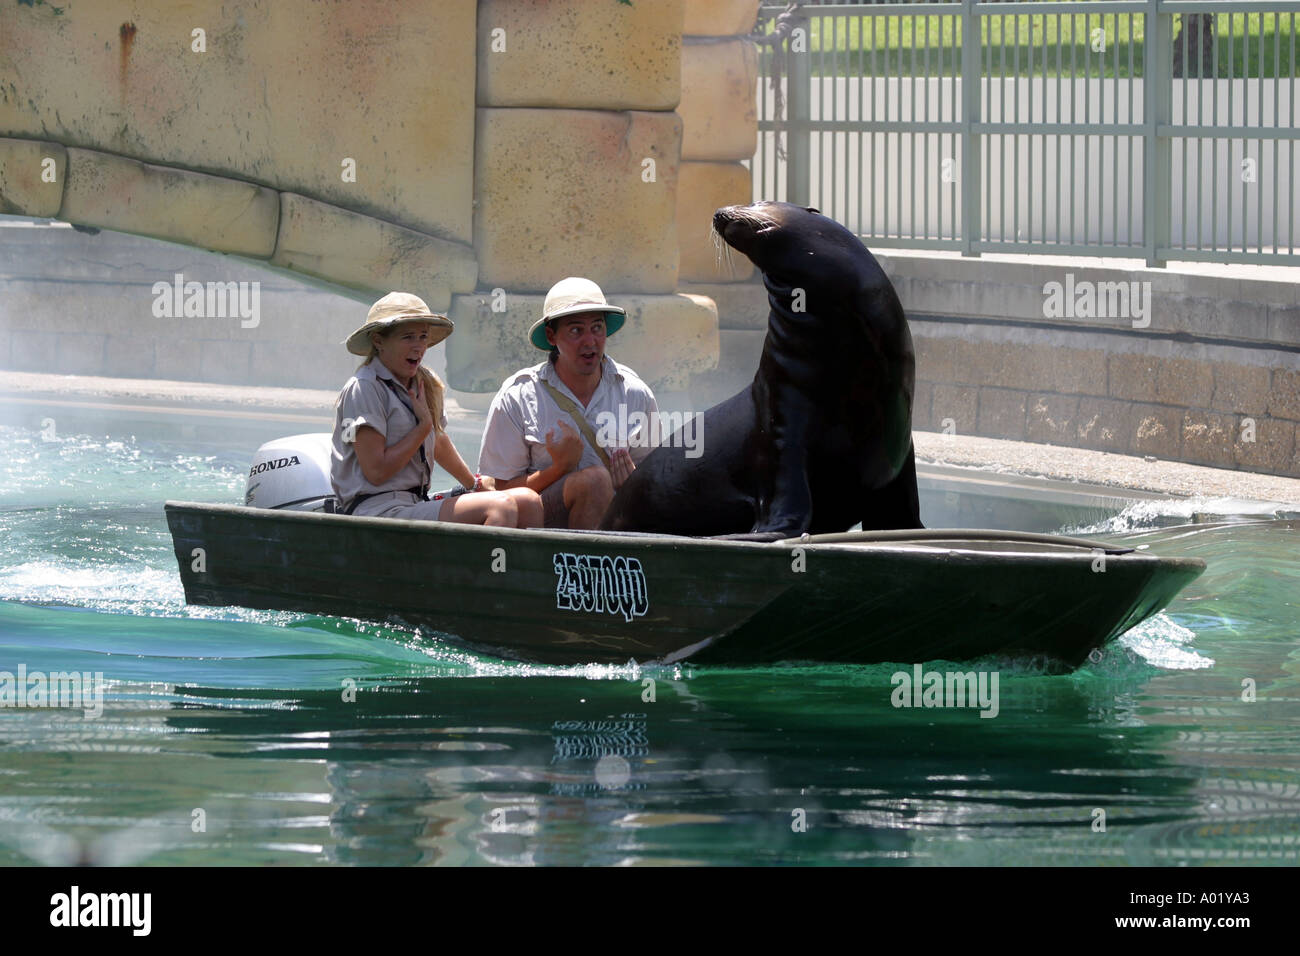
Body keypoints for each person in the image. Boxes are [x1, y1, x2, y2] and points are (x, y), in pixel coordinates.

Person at [332, 291, 543, 528]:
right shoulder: (365, 388)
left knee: (528, 501)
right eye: (408, 337)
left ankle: (519, 566)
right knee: (500, 506)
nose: (418, 347)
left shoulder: (424, 382)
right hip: (376, 510)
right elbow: (376, 472)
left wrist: (474, 484)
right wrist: (422, 428)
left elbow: (438, 440)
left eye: (423, 337)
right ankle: (487, 566)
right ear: (379, 341)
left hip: (415, 503)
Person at [478, 277, 659, 529]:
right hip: (540, 525)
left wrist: (632, 484)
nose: (589, 341)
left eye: (597, 328)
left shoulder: (635, 394)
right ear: (551, 336)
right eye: (576, 330)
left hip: (614, 527)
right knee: (595, 480)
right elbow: (500, 492)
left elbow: (656, 484)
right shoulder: (517, 397)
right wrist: (559, 469)